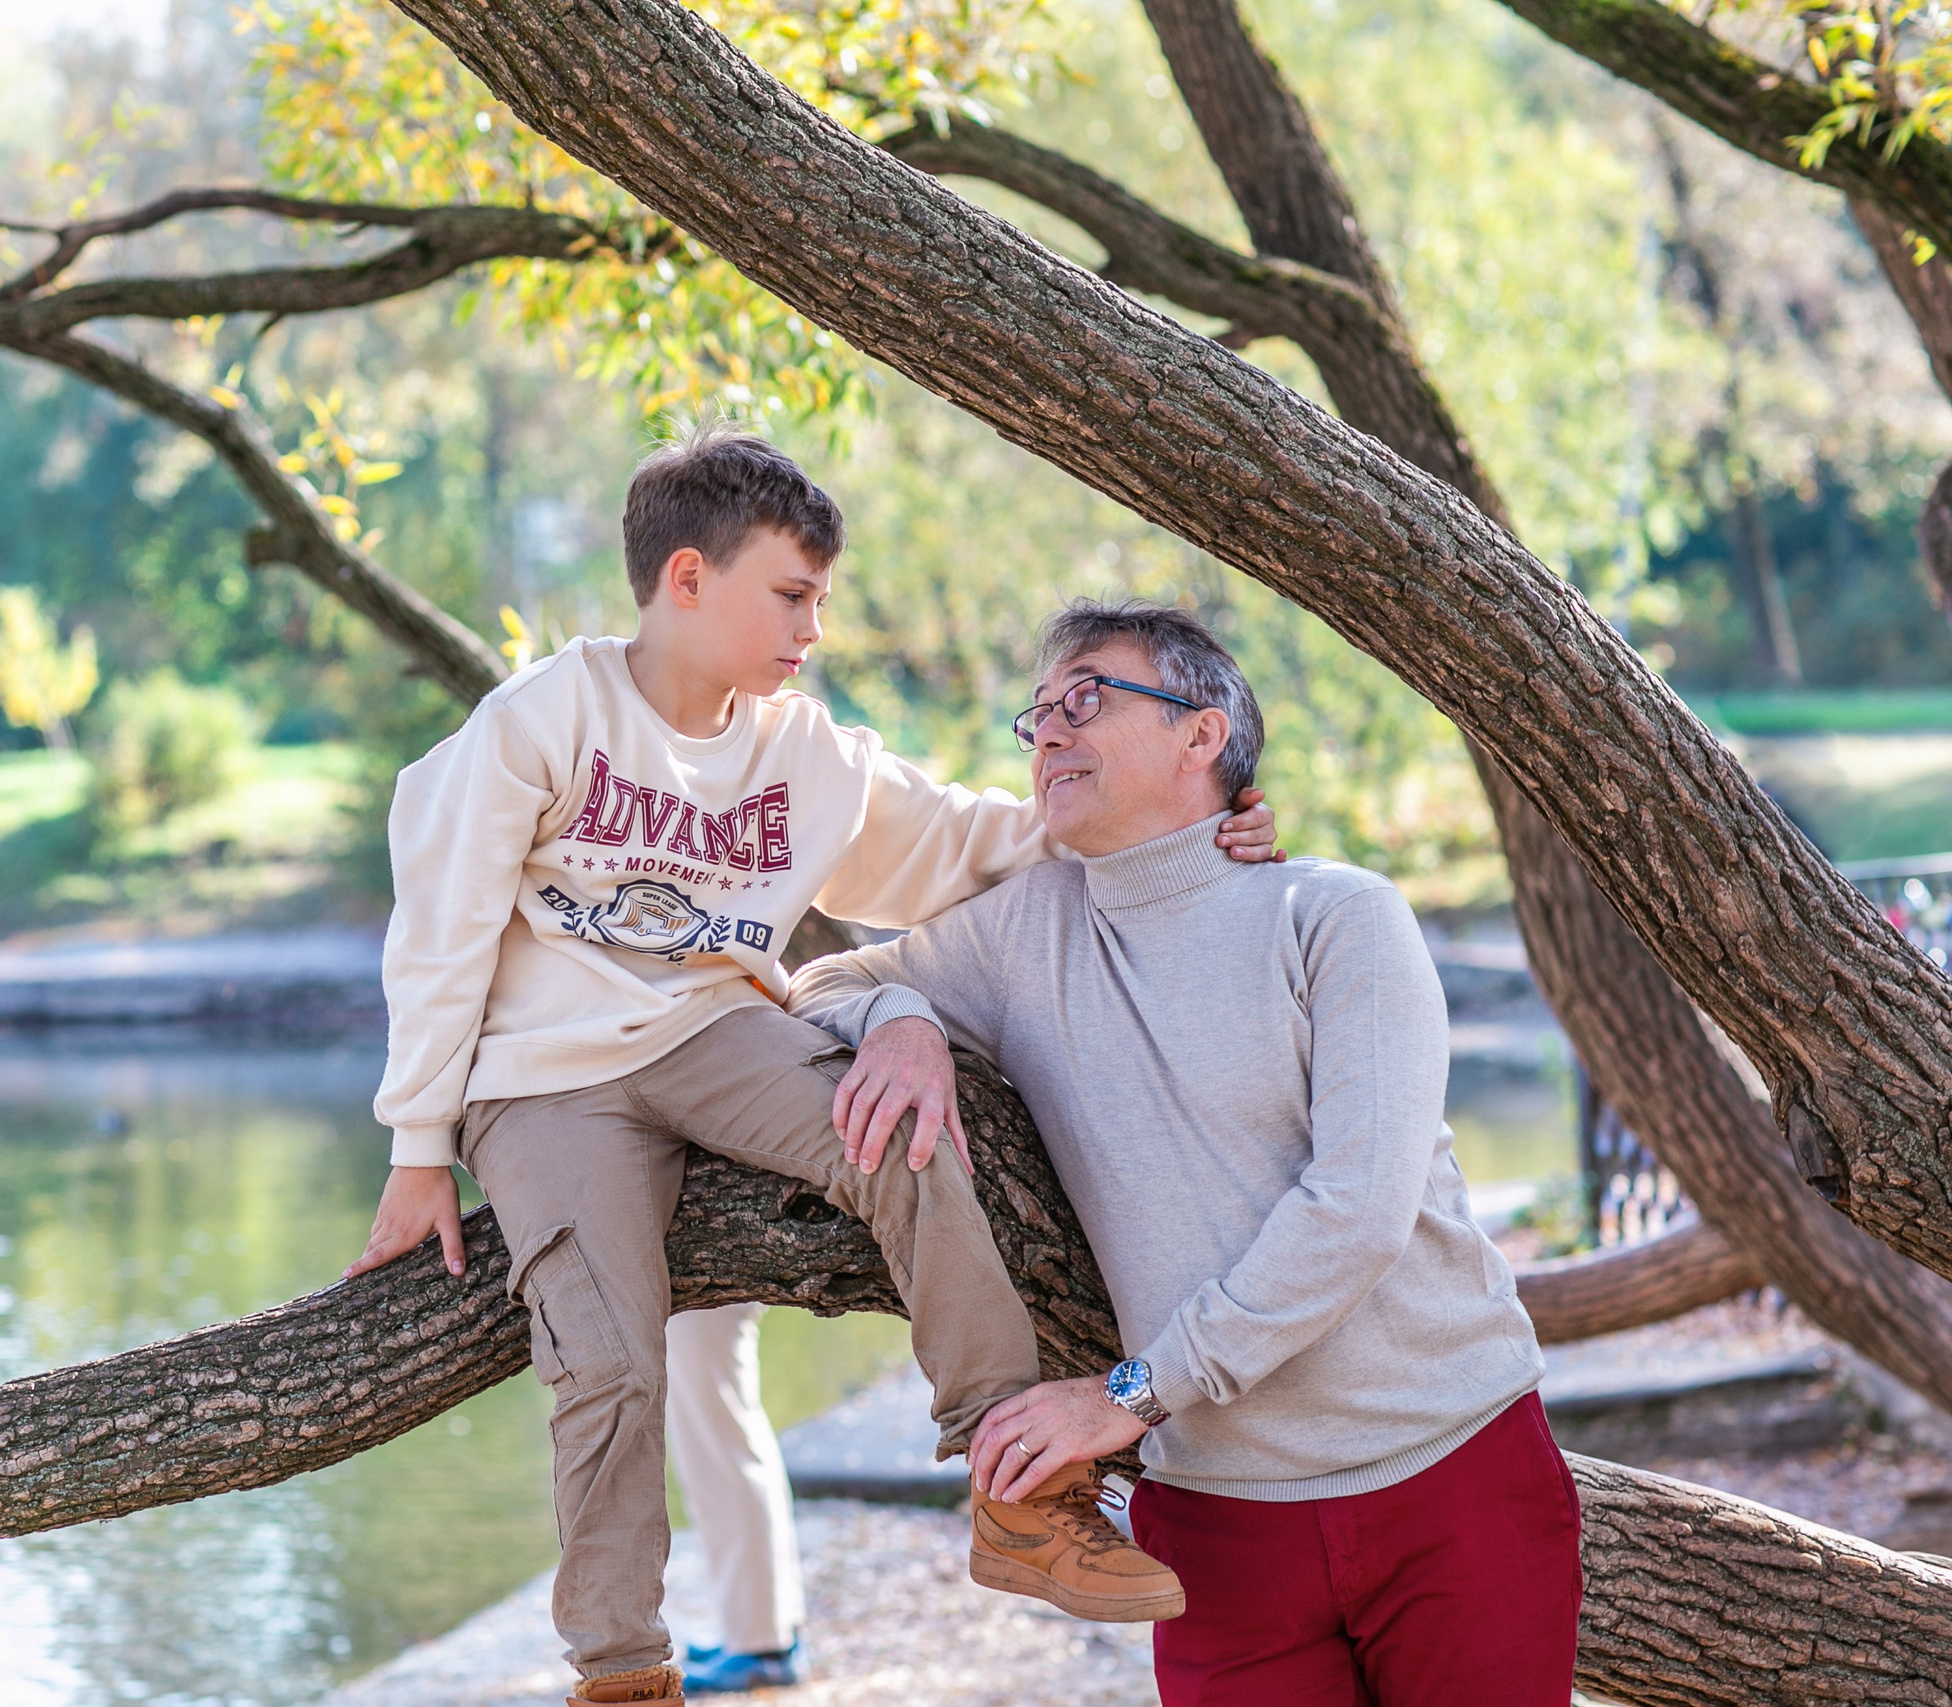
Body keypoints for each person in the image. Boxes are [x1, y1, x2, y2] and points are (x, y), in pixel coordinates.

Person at [342, 425, 1280, 1706]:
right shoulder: (545, 717)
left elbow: (968, 841)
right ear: (686, 580)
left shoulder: (803, 752)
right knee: (608, 1359)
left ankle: (1022, 1501)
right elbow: (441, 930)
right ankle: (621, 1669)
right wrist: (417, 1150)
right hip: (543, 1074)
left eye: (818, 601)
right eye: (791, 595)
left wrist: (1186, 813)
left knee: (905, 1134)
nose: (812, 629)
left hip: (716, 1032)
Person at [789, 600, 1580, 1707]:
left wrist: (1133, 1392)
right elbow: (817, 984)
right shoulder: (1024, 933)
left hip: (1450, 1477)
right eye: (1039, 712)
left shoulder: (1338, 914)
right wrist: (902, 1021)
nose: (1049, 730)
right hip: (1216, 1522)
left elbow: (1357, 1207)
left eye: (1087, 699)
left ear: (1201, 734)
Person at [664, 1304, 804, 1693]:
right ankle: (768, 1629)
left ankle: (761, 1645)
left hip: (702, 1280)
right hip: (696, 1281)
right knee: (725, 1440)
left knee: (721, 1450)